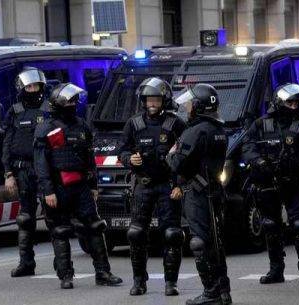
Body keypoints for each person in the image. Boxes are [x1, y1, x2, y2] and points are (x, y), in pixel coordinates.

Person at [34, 83, 123, 289]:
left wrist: (93, 185)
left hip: (81, 185)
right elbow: (41, 164)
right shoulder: (46, 128)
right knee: (61, 230)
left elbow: (89, 157)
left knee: (95, 226)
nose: (73, 104)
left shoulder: (82, 125)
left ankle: (103, 272)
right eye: (69, 101)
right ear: (58, 103)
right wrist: (47, 191)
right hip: (57, 186)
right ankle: (66, 276)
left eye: (75, 100)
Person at [241, 83, 299, 287]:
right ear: (279, 101)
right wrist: (257, 161)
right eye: (289, 102)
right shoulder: (261, 124)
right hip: (267, 182)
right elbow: (247, 146)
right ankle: (276, 270)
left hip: (293, 182)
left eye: (296, 102)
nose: (293, 106)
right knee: (270, 226)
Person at [119, 77, 187, 296]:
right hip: (143, 186)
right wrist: (130, 159)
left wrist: (180, 185)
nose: (152, 103)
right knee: (136, 233)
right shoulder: (134, 123)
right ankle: (139, 281)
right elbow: (122, 150)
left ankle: (171, 282)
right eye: (149, 99)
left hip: (168, 186)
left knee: (172, 234)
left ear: (164, 100)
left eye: (156, 99)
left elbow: (186, 155)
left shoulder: (175, 124)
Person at [167, 83, 231, 305]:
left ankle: (211, 292)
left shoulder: (195, 130)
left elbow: (178, 163)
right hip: (214, 190)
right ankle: (223, 291)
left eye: (189, 104)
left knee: (200, 242)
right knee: (216, 241)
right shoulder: (218, 130)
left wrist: (171, 153)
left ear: (198, 106)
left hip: (197, 192)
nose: (186, 107)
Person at [2, 67, 48, 277]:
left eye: (35, 86)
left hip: (45, 169)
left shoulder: (49, 109)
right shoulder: (15, 111)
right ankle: (26, 263)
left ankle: (63, 267)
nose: (32, 90)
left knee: (54, 218)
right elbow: (7, 143)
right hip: (22, 170)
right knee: (25, 218)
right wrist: (8, 174)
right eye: (29, 86)